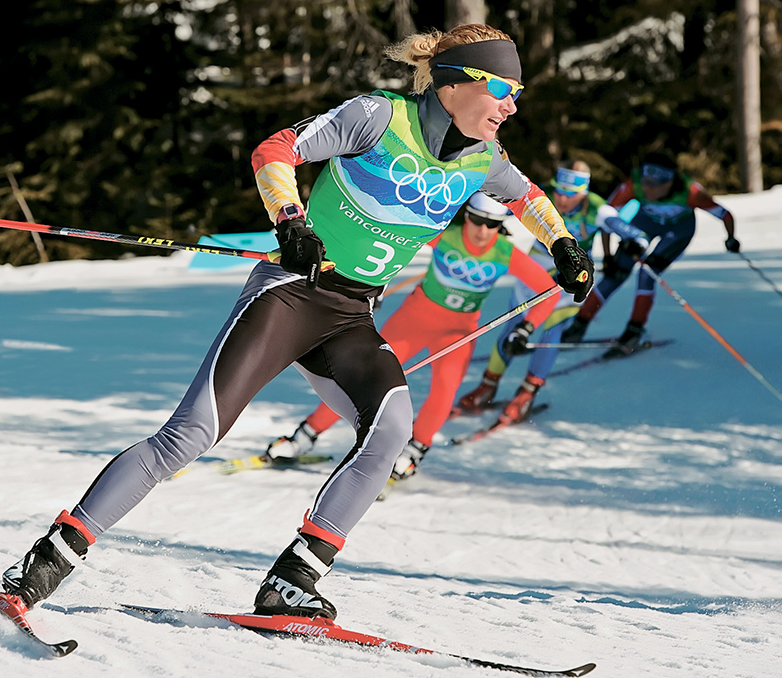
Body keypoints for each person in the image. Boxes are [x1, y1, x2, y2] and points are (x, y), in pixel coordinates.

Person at [0, 24, 594, 623]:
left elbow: (528, 197)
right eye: (503, 89)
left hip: (351, 314)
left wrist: (563, 244)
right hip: (289, 293)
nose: (512, 105)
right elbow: (275, 148)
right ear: (457, 82)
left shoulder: (483, 159)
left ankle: (292, 579)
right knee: (191, 436)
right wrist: (292, 221)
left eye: (517, 92)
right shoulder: (379, 116)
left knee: (389, 433)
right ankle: (45, 565)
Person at [266, 192, 559, 480]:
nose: (483, 230)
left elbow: (548, 292)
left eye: (492, 224)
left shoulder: (504, 252)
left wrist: (527, 326)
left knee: (444, 390)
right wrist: (372, 284)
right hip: (414, 320)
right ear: (466, 216)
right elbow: (394, 241)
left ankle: (414, 449)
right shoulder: (444, 234)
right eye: (477, 219)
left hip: (458, 333)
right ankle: (305, 435)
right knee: (365, 376)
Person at [457, 159, 649, 420]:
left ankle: (527, 392)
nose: (561, 197)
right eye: (559, 189)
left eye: (570, 193)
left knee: (550, 331)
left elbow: (634, 233)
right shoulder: (543, 193)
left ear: (583, 192)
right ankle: (488, 385)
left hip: (568, 281)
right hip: (531, 271)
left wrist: (635, 244)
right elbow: (506, 201)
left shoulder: (596, 208)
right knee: (511, 326)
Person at [561, 149, 739, 354]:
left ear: (669, 183)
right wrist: (609, 256)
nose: (646, 188)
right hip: (644, 224)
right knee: (615, 273)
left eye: (653, 185)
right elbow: (606, 217)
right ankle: (579, 325)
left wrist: (731, 238)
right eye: (645, 182)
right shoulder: (633, 184)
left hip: (678, 232)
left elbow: (725, 215)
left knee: (647, 275)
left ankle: (634, 330)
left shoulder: (690, 191)